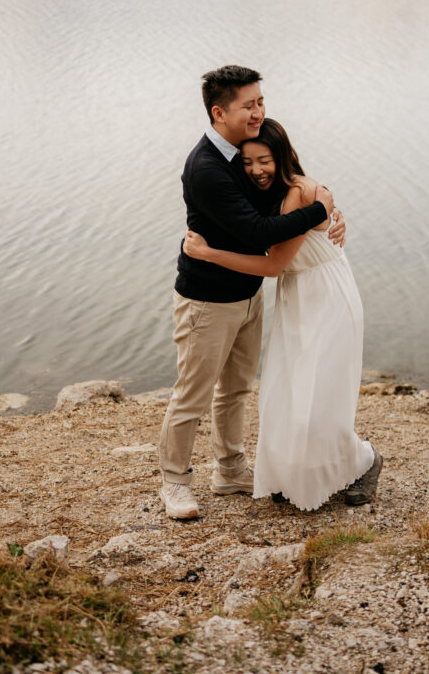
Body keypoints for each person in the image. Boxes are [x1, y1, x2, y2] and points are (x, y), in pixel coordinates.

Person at [159, 65, 345, 520]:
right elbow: (259, 230)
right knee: (193, 394)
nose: (260, 111)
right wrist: (319, 209)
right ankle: (175, 483)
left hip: (249, 293)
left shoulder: (245, 149)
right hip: (206, 300)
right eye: (250, 105)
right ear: (219, 112)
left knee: (237, 389)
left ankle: (229, 470)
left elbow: (281, 187)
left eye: (261, 101)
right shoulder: (205, 168)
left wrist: (328, 211)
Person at [183, 117, 382, 511]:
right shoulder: (270, 195)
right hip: (299, 295)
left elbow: (274, 265)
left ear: (283, 157)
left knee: (319, 394)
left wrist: (206, 253)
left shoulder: (301, 194)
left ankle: (365, 460)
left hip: (325, 297)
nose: (257, 170)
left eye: (265, 160)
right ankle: (300, 475)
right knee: (292, 392)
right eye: (248, 162)